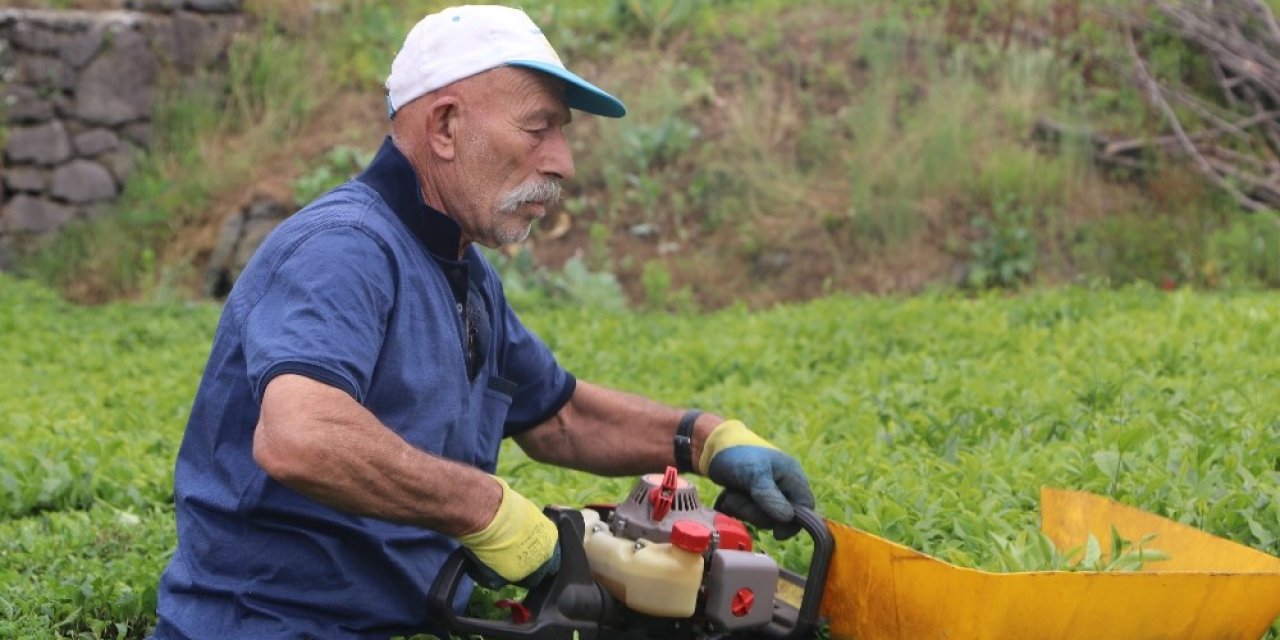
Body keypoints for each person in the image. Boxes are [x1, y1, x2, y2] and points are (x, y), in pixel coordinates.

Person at [151, 5, 814, 639]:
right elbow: (301, 435)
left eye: (562, 134)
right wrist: (486, 509)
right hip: (274, 626)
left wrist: (706, 440)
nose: (562, 161)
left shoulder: (459, 268)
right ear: (445, 126)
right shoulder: (344, 248)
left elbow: (559, 416)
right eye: (538, 129)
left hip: (411, 620)